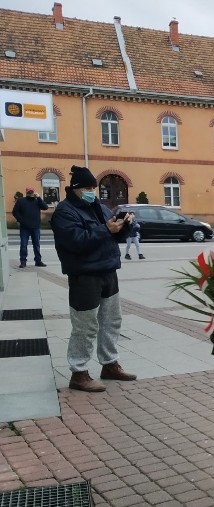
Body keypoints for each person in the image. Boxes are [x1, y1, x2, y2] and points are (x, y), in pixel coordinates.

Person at [50, 165, 137, 392]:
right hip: (84, 275)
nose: (92, 191)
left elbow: (112, 233)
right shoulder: (65, 211)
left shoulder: (97, 206)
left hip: (108, 271)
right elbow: (75, 241)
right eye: (88, 187)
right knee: (85, 326)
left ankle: (109, 365)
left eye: (93, 187)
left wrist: (126, 226)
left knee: (111, 321)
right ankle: (78, 373)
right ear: (76, 188)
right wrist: (105, 230)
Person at [12, 187, 49, 268]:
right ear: (26, 192)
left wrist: (38, 197)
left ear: (34, 192)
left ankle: (38, 261)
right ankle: (23, 261)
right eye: (29, 192)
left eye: (31, 192)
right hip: (24, 227)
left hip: (35, 227)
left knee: (36, 245)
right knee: (23, 245)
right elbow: (15, 212)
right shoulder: (21, 201)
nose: (30, 193)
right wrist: (22, 221)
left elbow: (45, 207)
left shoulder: (37, 201)